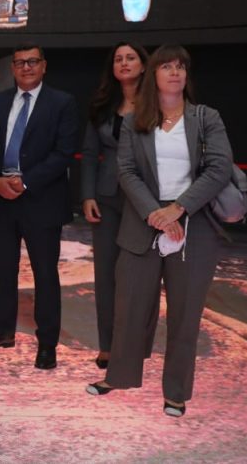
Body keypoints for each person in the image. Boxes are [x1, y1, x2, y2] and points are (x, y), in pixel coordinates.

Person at [87, 45, 233, 418]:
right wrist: (155, 212)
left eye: (180, 66)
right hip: (144, 220)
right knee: (130, 305)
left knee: (185, 314)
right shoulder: (136, 120)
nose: (175, 72)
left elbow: (219, 169)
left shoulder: (206, 118)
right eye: (166, 66)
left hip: (193, 224)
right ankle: (118, 376)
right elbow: (126, 171)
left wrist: (178, 209)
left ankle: (176, 392)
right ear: (153, 74)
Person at [0, 44, 78, 370]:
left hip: (41, 200)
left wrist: (26, 181)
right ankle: (3, 330)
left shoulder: (62, 102)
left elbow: (63, 153)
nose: (26, 67)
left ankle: (47, 343)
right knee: (3, 270)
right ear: (12, 68)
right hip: (1, 199)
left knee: (45, 274)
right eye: (20, 62)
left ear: (44, 65)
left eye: (32, 61)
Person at [80, 43, 151, 370]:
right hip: (106, 199)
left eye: (130, 58)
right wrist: (87, 195)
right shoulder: (102, 105)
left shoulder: (158, 103)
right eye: (118, 59)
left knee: (140, 277)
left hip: (146, 201)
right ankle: (108, 346)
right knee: (106, 275)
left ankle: (136, 346)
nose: (124, 63)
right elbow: (89, 154)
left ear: (143, 65)